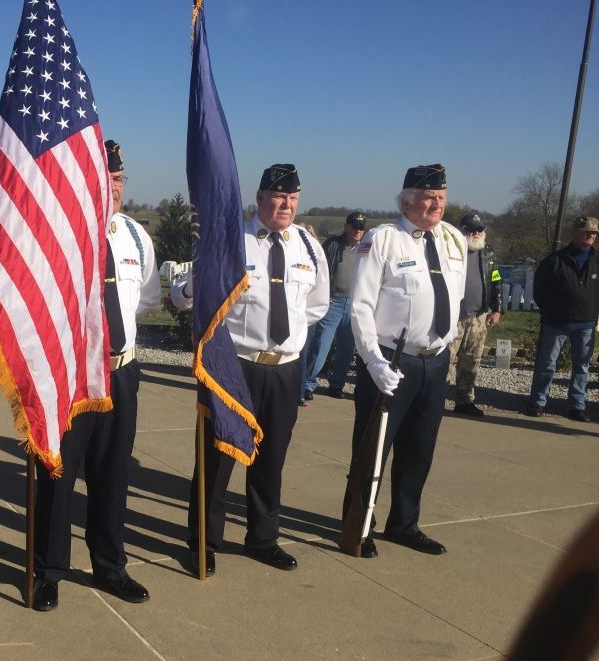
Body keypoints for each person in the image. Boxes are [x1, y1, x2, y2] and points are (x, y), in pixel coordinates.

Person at [172, 164, 329, 575]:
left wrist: (283, 342)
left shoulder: (309, 248)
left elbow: (316, 306)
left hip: (284, 369)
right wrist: (197, 283)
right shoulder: (230, 242)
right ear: (260, 199)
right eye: (278, 197)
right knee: (217, 457)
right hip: (234, 368)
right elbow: (181, 297)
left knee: (271, 459)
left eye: (293, 198)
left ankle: (263, 539)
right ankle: (203, 542)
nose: (286, 205)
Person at [31, 140, 160, 611]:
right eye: (105, 178)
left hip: (121, 373)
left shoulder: (135, 237)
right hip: (71, 378)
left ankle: (110, 565)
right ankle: (48, 570)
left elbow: (145, 298)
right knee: (57, 475)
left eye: (120, 180)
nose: (114, 188)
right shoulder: (56, 233)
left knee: (112, 475)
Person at [343, 164, 466, 558]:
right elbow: (360, 306)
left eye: (442, 198)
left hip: (434, 362)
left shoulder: (453, 239)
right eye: (429, 197)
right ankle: (359, 525)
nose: (436, 205)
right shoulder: (383, 240)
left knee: (420, 449)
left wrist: (449, 341)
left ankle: (405, 524)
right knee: (373, 448)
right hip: (391, 363)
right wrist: (373, 361)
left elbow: (455, 295)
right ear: (407, 199)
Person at [523, 215, 599, 422]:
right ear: (575, 233)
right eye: (586, 232)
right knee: (547, 363)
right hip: (556, 322)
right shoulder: (555, 260)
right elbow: (539, 289)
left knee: (582, 367)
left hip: (586, 323)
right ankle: (538, 401)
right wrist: (549, 309)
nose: (590, 236)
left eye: (594, 233)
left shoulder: (597, 261)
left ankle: (577, 405)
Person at [300, 211, 366, 403]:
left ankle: (337, 385)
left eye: (361, 227)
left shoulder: (366, 248)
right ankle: (308, 384)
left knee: (347, 349)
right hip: (333, 302)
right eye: (354, 226)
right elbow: (321, 272)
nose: (358, 230)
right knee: (321, 345)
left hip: (354, 304)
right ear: (346, 226)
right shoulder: (333, 245)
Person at [447, 212, 502, 418]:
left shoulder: (487, 253)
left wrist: (497, 308)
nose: (477, 233)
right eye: (472, 229)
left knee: (471, 361)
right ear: (462, 230)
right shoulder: (450, 250)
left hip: (479, 316)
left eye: (480, 229)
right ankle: (431, 399)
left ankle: (465, 401)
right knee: (444, 359)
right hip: (454, 316)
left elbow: (496, 280)